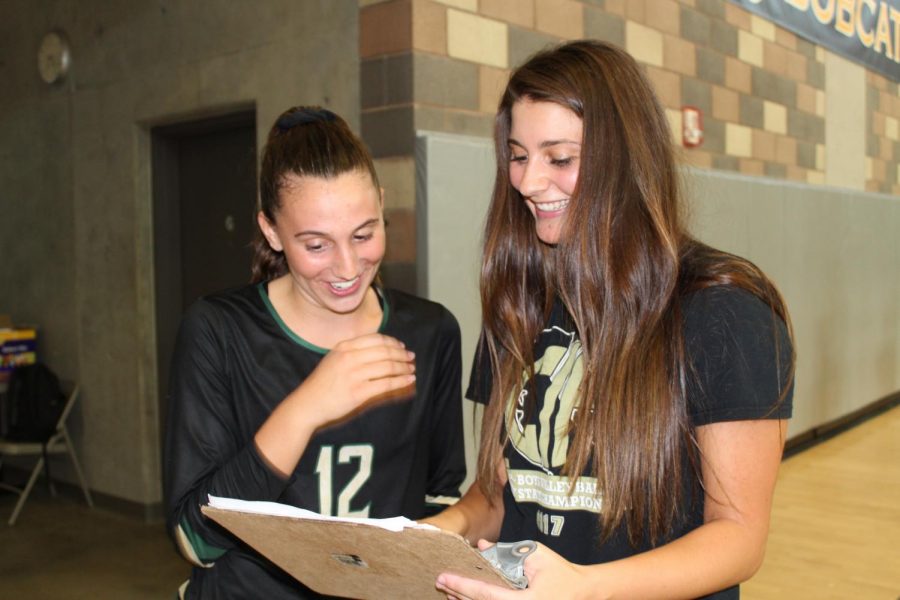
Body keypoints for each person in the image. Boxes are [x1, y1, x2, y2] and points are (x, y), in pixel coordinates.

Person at [427, 40, 795, 600]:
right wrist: (422, 538)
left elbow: (739, 536)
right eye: (519, 155)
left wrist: (583, 588)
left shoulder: (723, 311)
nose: (526, 182)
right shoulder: (518, 304)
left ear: (624, 159)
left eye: (560, 158)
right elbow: (500, 497)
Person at [164, 106, 466, 599]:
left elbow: (441, 503)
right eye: (316, 244)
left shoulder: (430, 332)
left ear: (382, 206)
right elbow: (197, 541)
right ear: (271, 231)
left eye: (364, 234)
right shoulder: (218, 331)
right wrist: (307, 408)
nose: (348, 266)